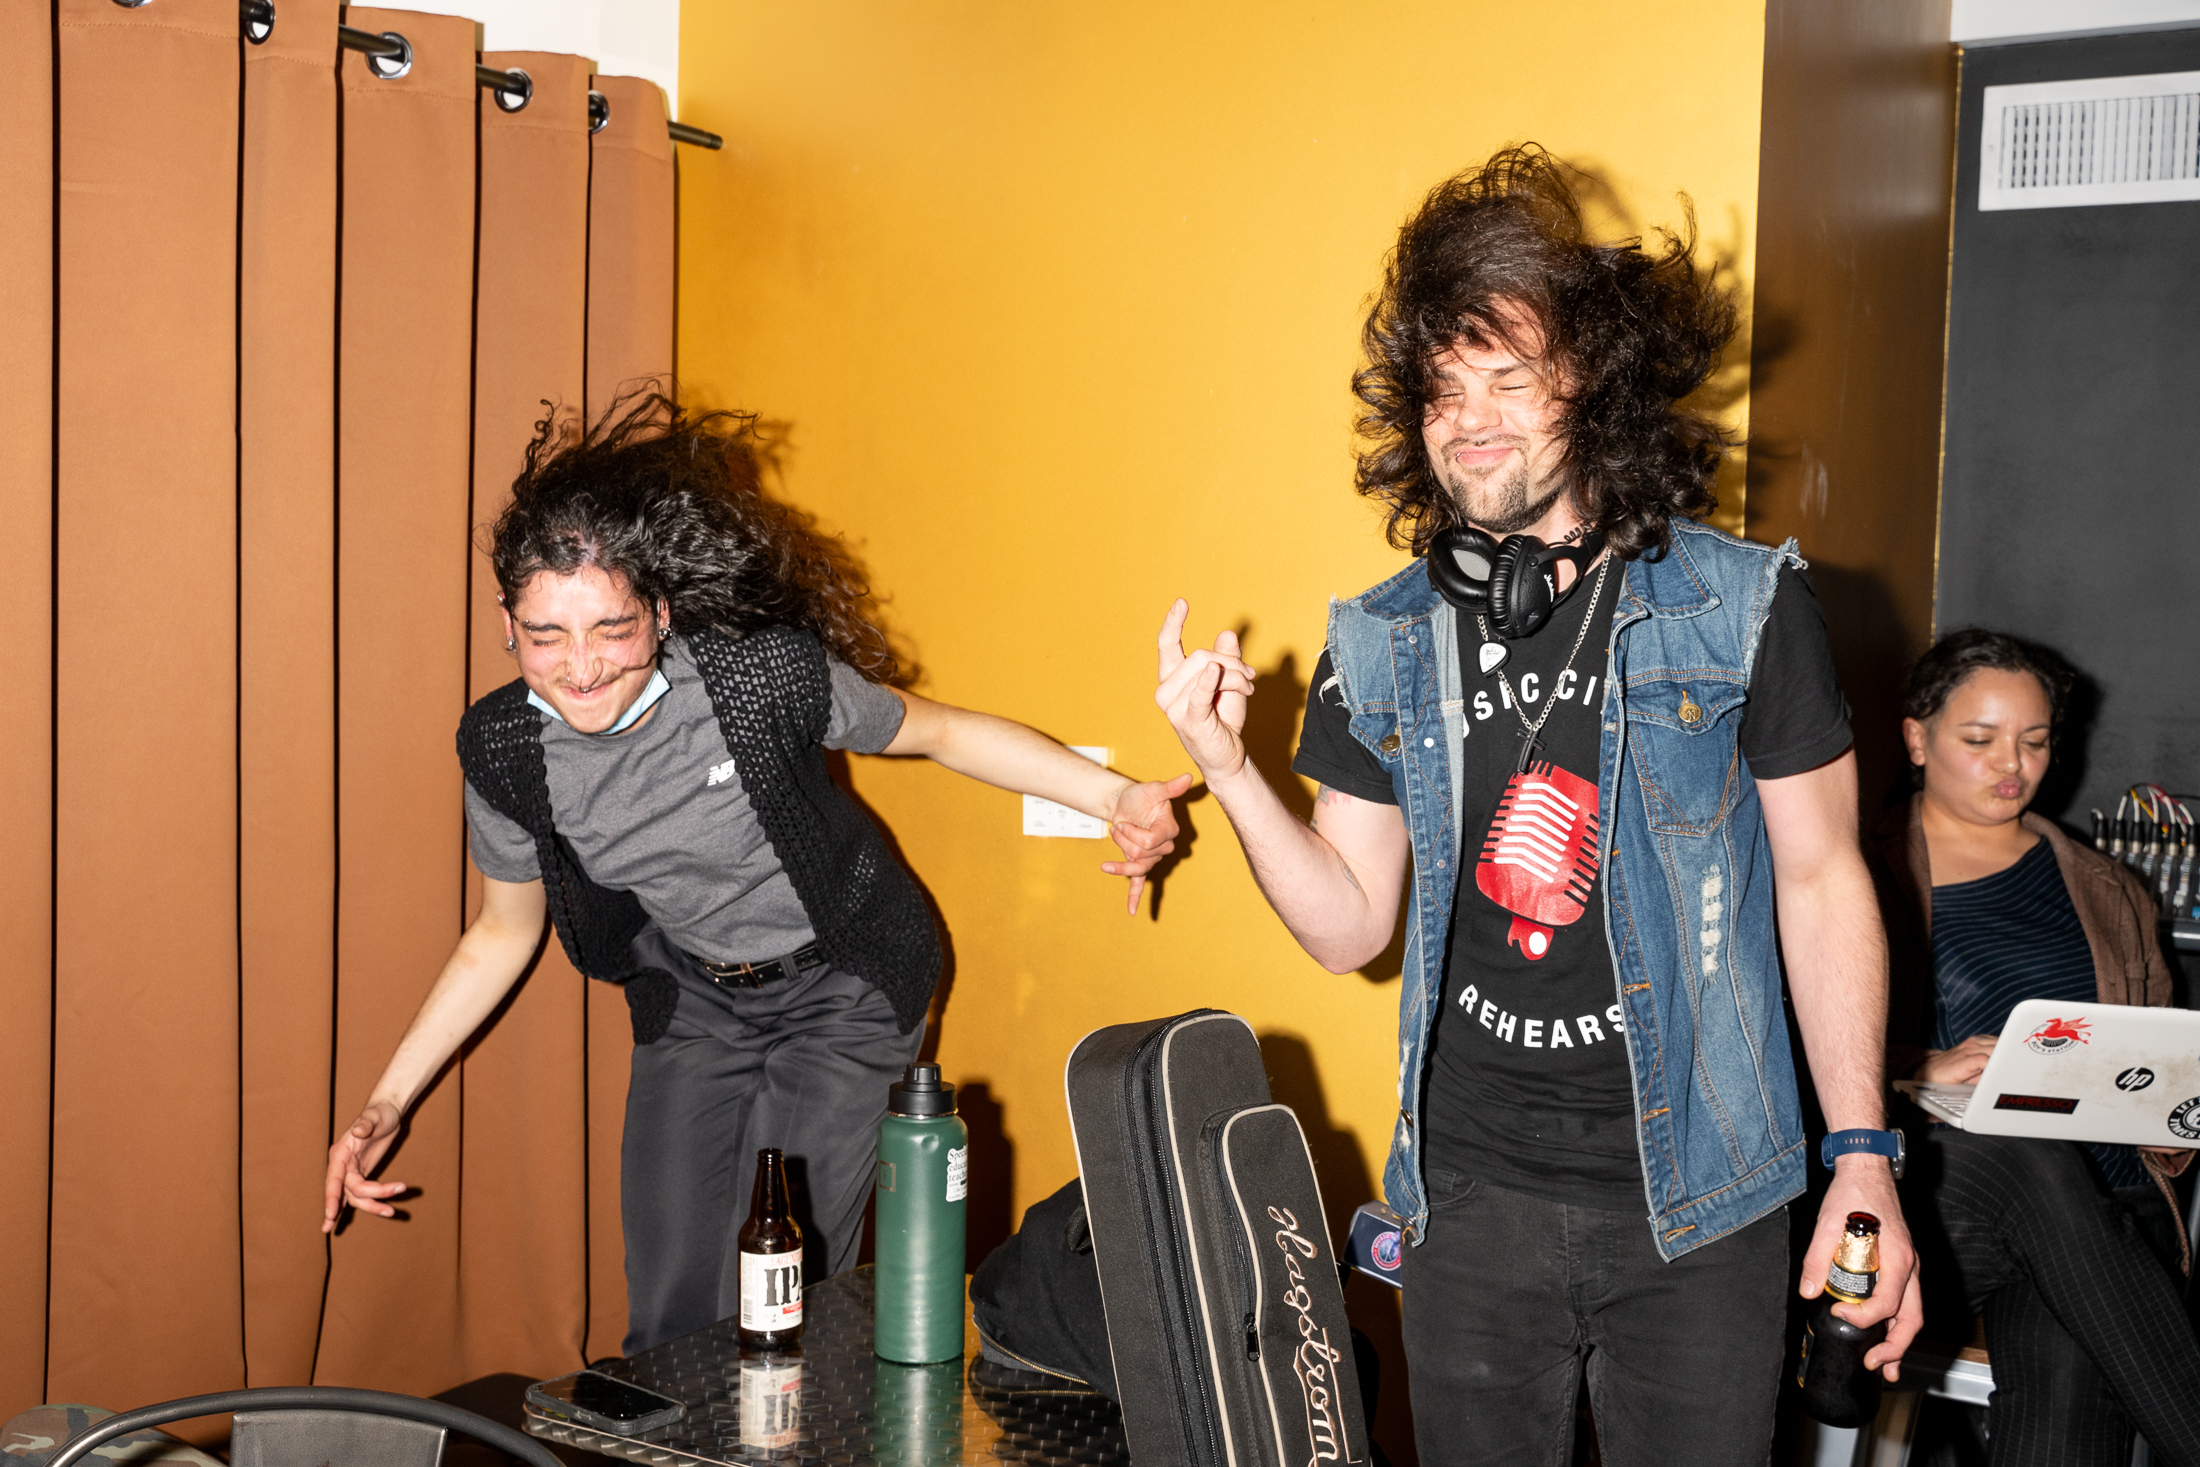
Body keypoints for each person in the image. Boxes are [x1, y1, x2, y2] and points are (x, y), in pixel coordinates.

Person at [1152, 146, 1920, 1464]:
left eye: (1512, 379)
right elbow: (1346, 926)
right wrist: (1232, 771)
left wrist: (1864, 1151)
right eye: (1446, 389)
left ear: (1598, 392)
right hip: (1470, 1200)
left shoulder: (1741, 607)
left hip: (1699, 1195)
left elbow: (1823, 878)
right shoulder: (1383, 641)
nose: (1473, 418)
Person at [322, 394, 1191, 1355]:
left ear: (658, 610)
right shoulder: (504, 749)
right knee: (669, 1309)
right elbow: (501, 931)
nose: (580, 671)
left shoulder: (754, 677)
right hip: (692, 998)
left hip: (846, 984)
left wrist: (1114, 796)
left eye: (610, 629)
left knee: (783, 1299)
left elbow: (939, 730)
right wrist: (386, 1103)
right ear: (505, 622)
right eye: (544, 635)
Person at [1874, 629, 2200, 1467]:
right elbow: (1781, 1048)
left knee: (2067, 1376)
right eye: (1979, 741)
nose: (2010, 765)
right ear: (1917, 737)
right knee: (2020, 1144)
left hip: (2104, 1216)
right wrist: (1914, 1066)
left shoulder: (2108, 890)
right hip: (1938, 1209)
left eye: (2035, 740)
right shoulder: (1857, 874)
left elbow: (2161, 1078)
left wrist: (2175, 1112)